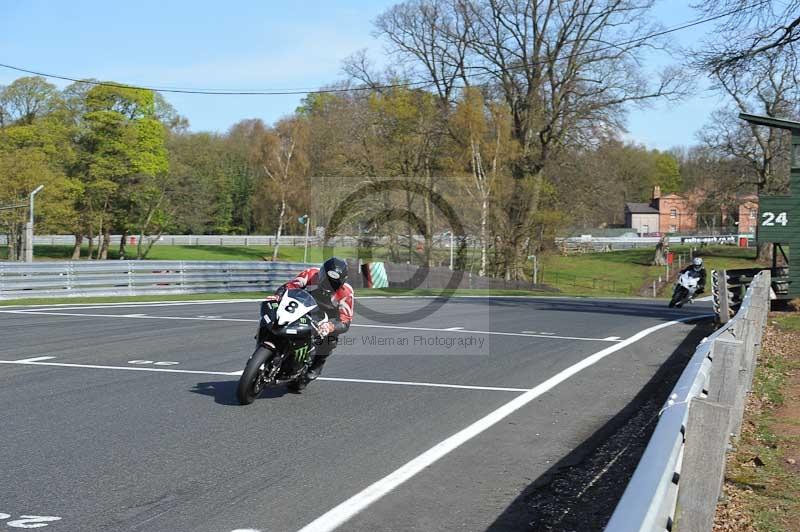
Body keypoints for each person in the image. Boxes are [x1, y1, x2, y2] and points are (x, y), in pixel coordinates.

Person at [266, 257, 354, 392]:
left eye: (334, 283)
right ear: (322, 273)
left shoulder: (346, 293)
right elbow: (291, 286)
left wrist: (330, 326)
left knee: (330, 341)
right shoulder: (310, 274)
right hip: (303, 307)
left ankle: (315, 366)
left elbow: (345, 320)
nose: (329, 285)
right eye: (327, 280)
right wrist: (278, 295)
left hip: (327, 317)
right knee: (275, 315)